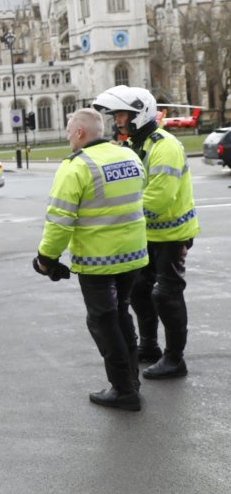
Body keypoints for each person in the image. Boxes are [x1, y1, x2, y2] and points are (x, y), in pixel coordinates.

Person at [34, 108, 148, 411]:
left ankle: (123, 390)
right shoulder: (129, 156)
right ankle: (132, 381)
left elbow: (59, 221)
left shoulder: (76, 167)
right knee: (122, 314)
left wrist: (46, 259)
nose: (68, 135)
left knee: (103, 321)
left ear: (81, 133)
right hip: (134, 256)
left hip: (99, 261)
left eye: (70, 130)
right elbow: (140, 194)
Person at [93, 86, 199, 379]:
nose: (118, 121)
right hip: (147, 235)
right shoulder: (135, 146)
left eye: (122, 115)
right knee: (140, 291)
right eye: (116, 116)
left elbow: (159, 200)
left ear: (140, 114)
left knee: (166, 294)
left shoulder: (164, 146)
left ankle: (175, 359)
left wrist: (121, 217)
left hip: (172, 234)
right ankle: (150, 346)